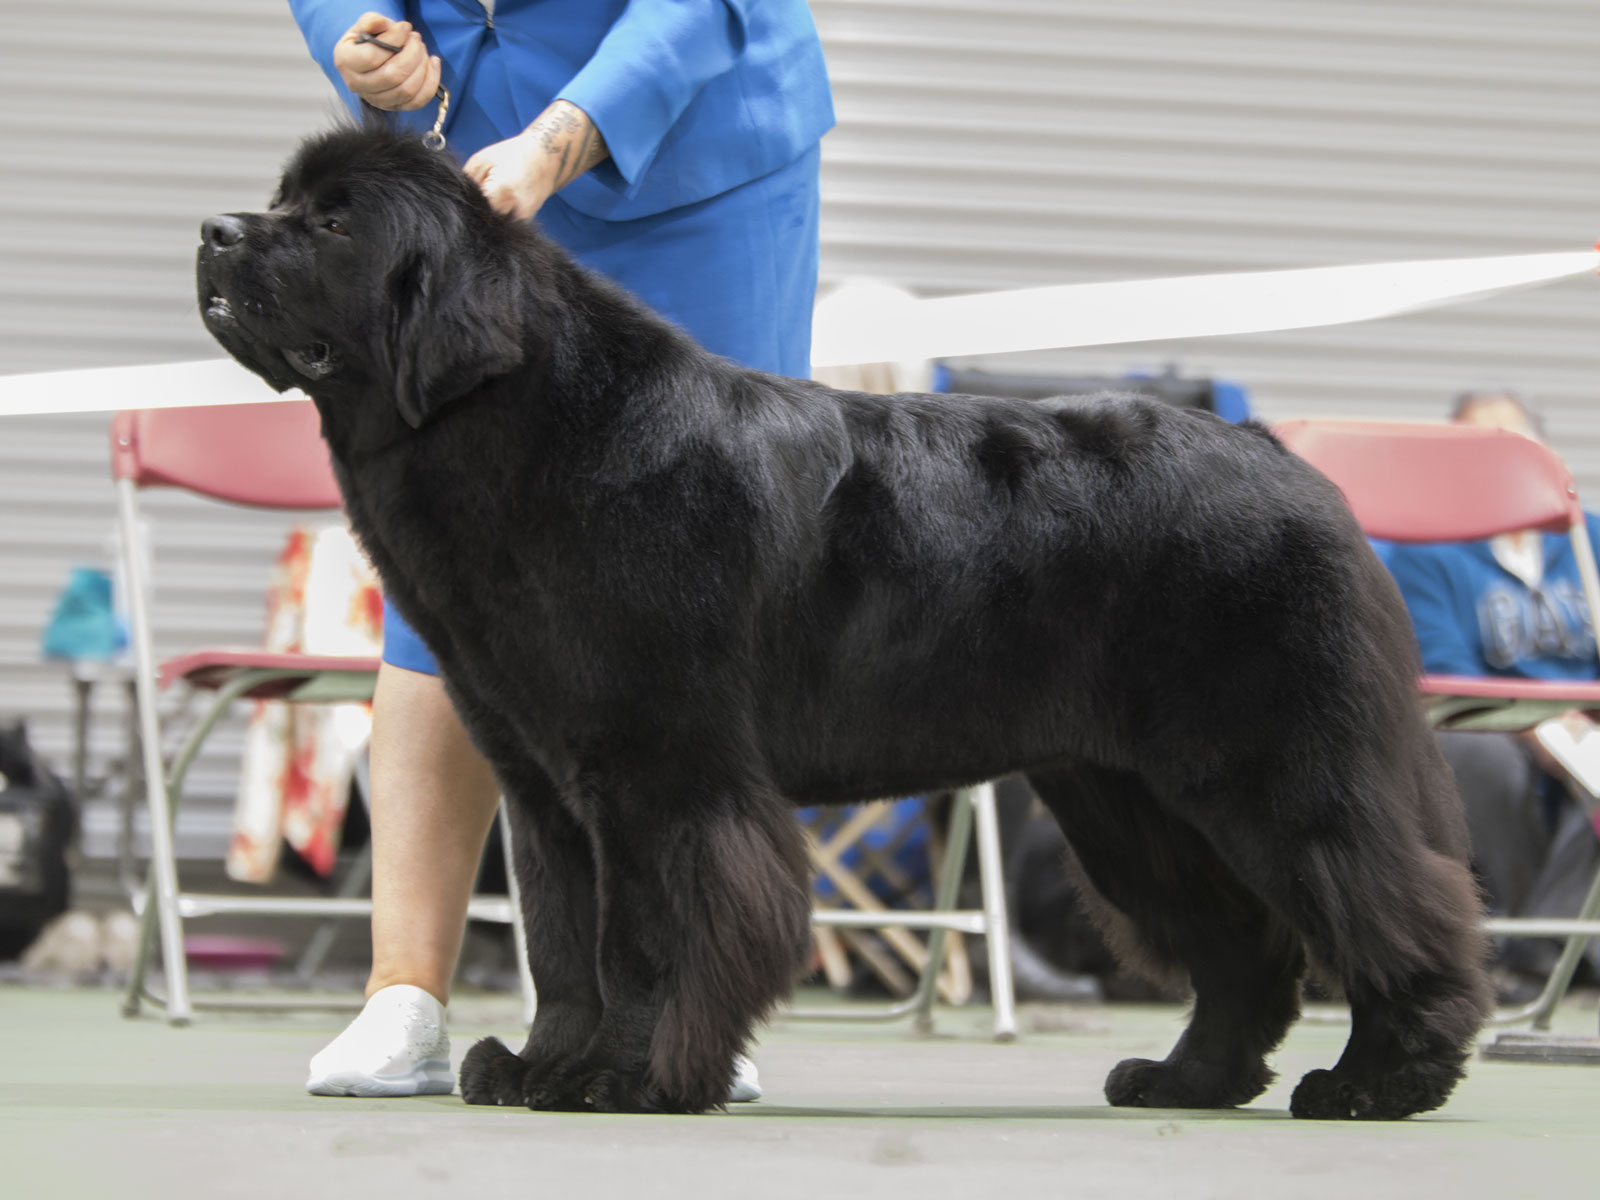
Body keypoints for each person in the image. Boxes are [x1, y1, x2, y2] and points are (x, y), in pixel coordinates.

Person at [286, 1, 834, 1099]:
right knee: (442, 568)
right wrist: (348, 24)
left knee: (698, 587)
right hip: (454, 151)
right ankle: (405, 995)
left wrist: (570, 128)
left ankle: (682, 1002)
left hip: (692, 153)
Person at [1384, 388, 1600, 991]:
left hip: (1584, 716)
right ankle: (1547, 949)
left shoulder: (1591, 539)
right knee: (1482, 759)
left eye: (1511, 442)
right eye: (1476, 446)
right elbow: (1447, 666)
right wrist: (1542, 726)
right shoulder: (1426, 554)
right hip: (1488, 719)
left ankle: (1548, 946)